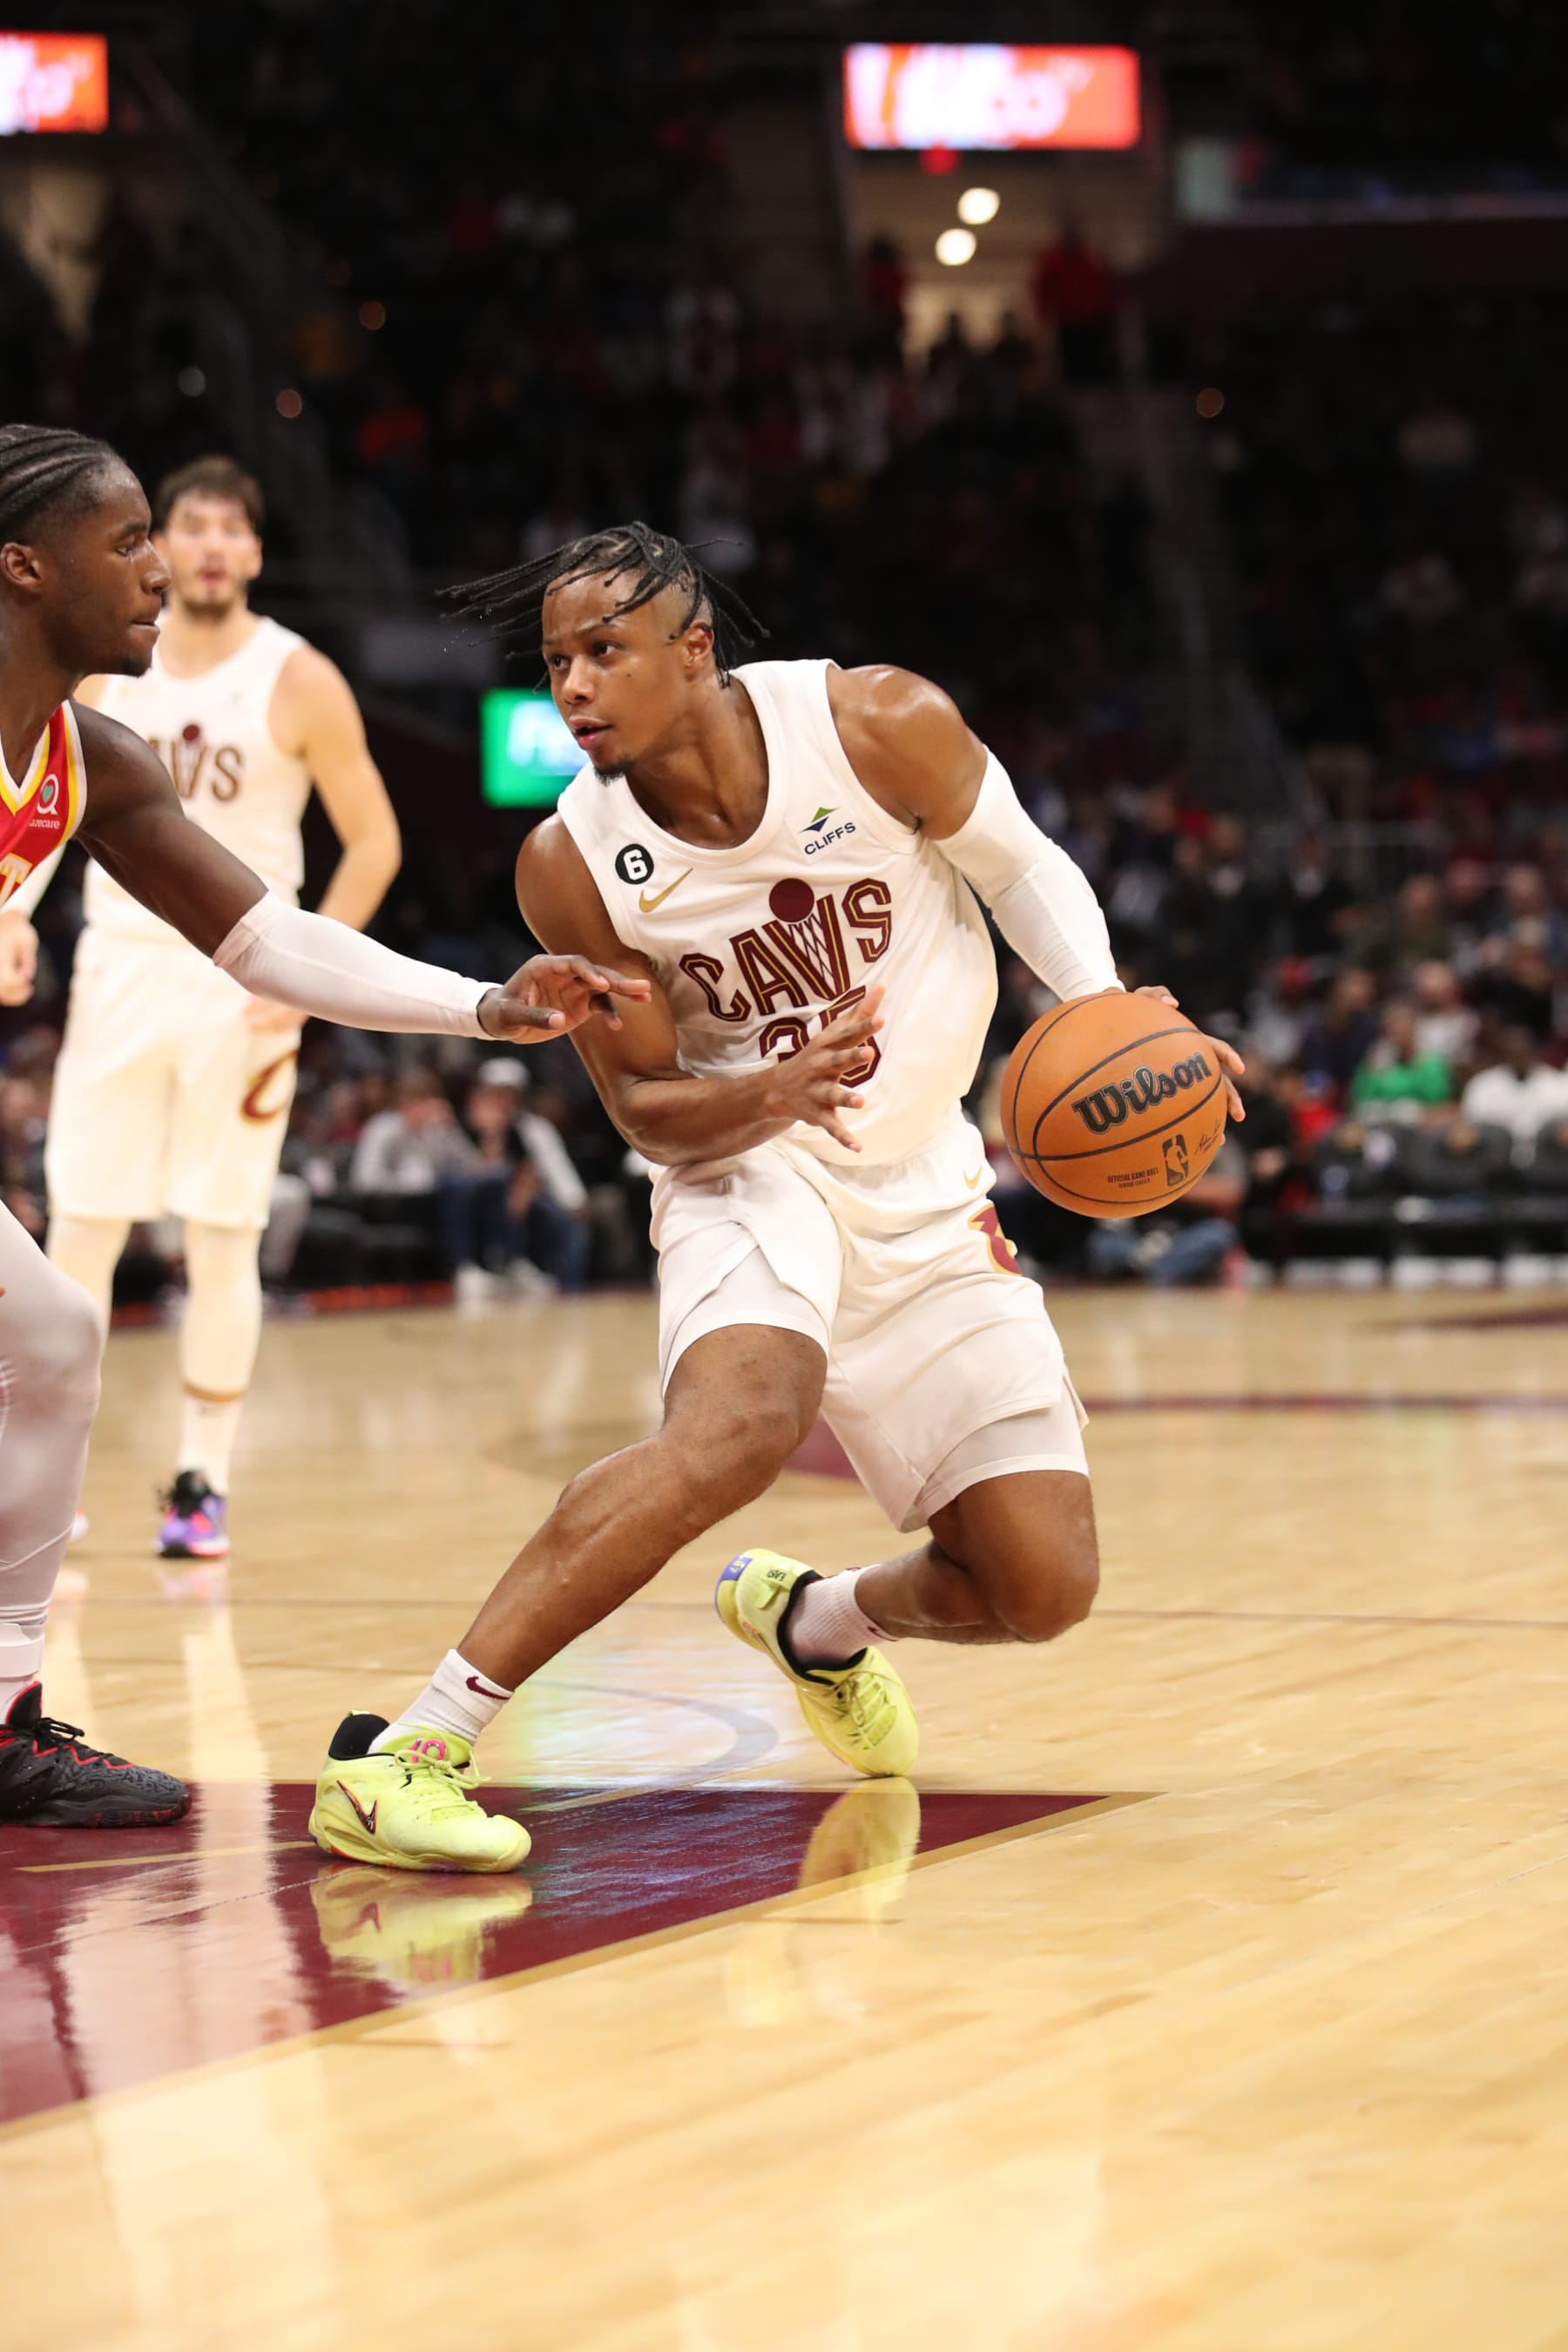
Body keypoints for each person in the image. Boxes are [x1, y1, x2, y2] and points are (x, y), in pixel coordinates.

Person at [309, 523, 1244, 1874]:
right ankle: (415, 1745)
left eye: (603, 652)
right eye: (557, 659)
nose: (572, 686)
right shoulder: (569, 863)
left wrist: (1108, 1009)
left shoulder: (874, 723)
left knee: (1042, 1587)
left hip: (927, 1181)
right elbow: (641, 1109)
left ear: (694, 650)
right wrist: (773, 1093)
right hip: (744, 1170)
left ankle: (817, 1621)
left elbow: (1024, 868)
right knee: (744, 1426)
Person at [0, 424, 645, 1830]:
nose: (158, 569)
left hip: (183, 1022)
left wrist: (488, 1006)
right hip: (107, 1015)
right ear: (24, 566)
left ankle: (4, 1712)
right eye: (125, 544)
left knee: (52, 1334)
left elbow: (265, 938)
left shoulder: (91, 760)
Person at [41, 455, 402, 1561]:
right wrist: (15, 917)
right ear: (155, 546)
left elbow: (376, 841)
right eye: (183, 525)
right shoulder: (107, 669)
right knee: (81, 1233)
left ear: (251, 551)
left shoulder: (299, 676)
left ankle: (202, 1484)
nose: (202, 545)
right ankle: (48, 1481)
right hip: (122, 964)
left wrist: (306, 986)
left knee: (225, 1233)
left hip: (241, 978)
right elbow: (44, 808)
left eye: (224, 528)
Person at [1460, 1026, 1568, 1144]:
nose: (1517, 1058)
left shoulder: (1558, 1084)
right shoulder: (1483, 1085)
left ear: (1534, 1052)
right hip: (1494, 1155)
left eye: (1522, 1052)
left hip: (1546, 1154)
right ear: (1503, 1055)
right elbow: (1471, 1125)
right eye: (1512, 1053)